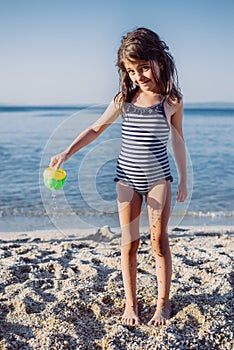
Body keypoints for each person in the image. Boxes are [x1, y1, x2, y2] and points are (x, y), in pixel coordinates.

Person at [49, 27, 187, 327]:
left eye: (144, 67)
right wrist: (65, 154)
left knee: (158, 241)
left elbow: (178, 139)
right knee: (128, 243)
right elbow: (96, 128)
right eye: (131, 70)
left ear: (159, 61)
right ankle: (131, 304)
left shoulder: (171, 101)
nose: (138, 75)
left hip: (158, 179)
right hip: (125, 178)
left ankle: (163, 304)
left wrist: (184, 179)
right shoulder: (124, 100)